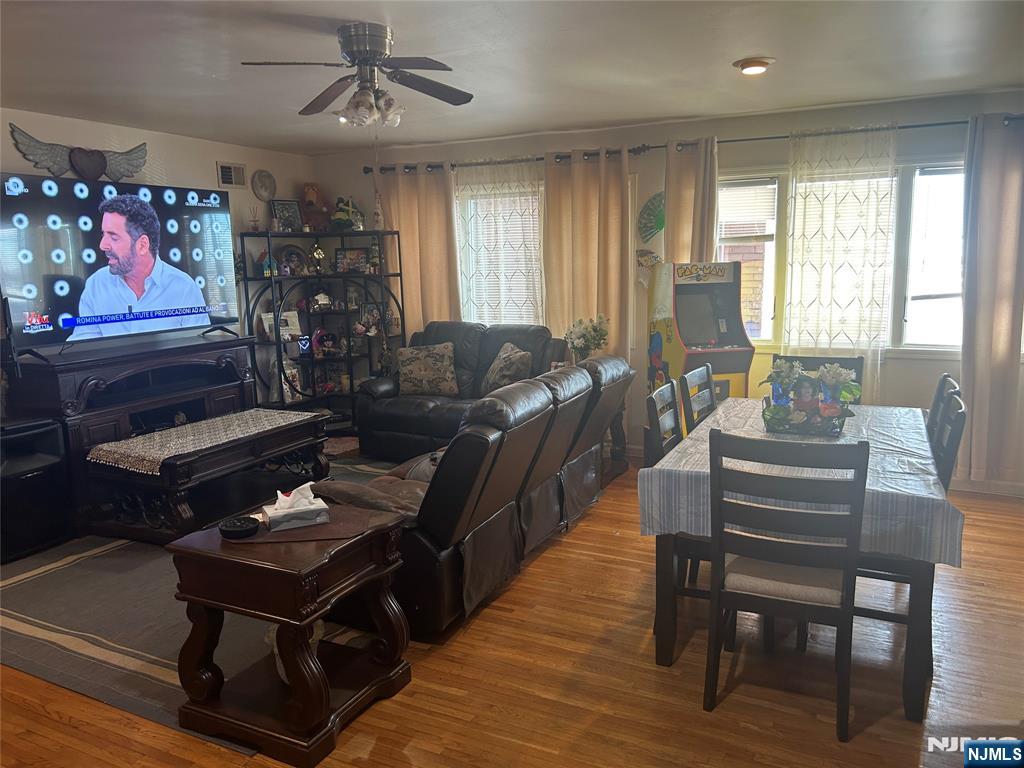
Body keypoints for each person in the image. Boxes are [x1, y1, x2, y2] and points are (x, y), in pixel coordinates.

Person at [67, 194, 209, 340]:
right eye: (103, 235)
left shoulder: (184, 288)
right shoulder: (96, 284)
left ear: (142, 245)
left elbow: (198, 351)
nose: (102, 245)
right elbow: (83, 348)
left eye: (114, 237)